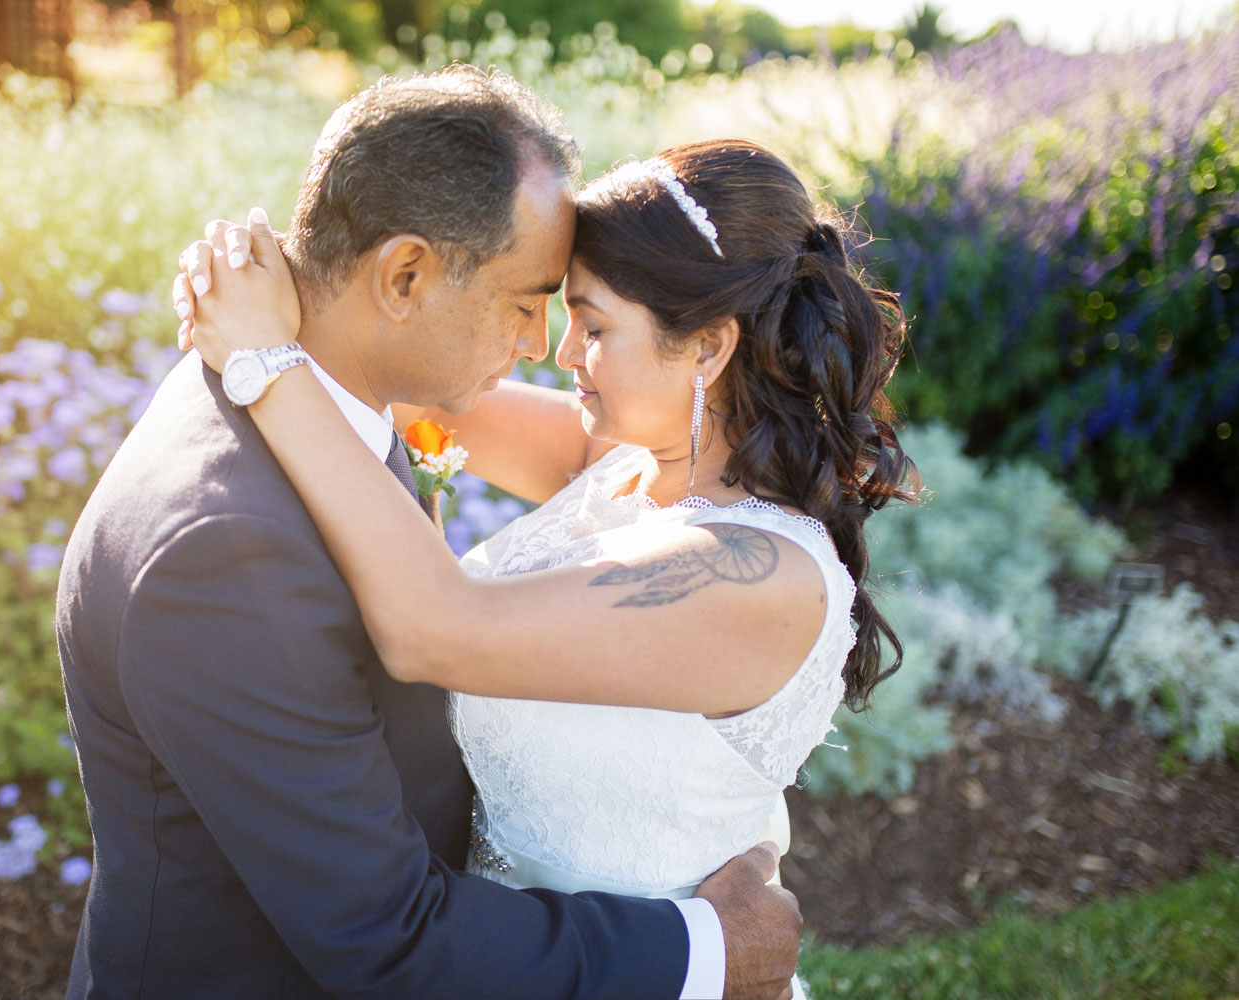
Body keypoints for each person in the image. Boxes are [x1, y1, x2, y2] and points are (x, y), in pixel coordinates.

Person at [58, 66, 802, 1000]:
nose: (542, 346)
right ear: (404, 275)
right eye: (530, 301)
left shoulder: (311, 397)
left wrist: (264, 343)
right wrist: (704, 953)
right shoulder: (226, 548)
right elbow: (382, 935)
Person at [175, 136, 920, 1000]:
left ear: (709, 348)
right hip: (510, 962)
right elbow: (410, 380)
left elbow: (435, 631)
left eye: (595, 326)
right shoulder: (617, 463)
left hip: (628, 975)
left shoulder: (753, 573)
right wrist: (285, 290)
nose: (560, 352)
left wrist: (265, 364)